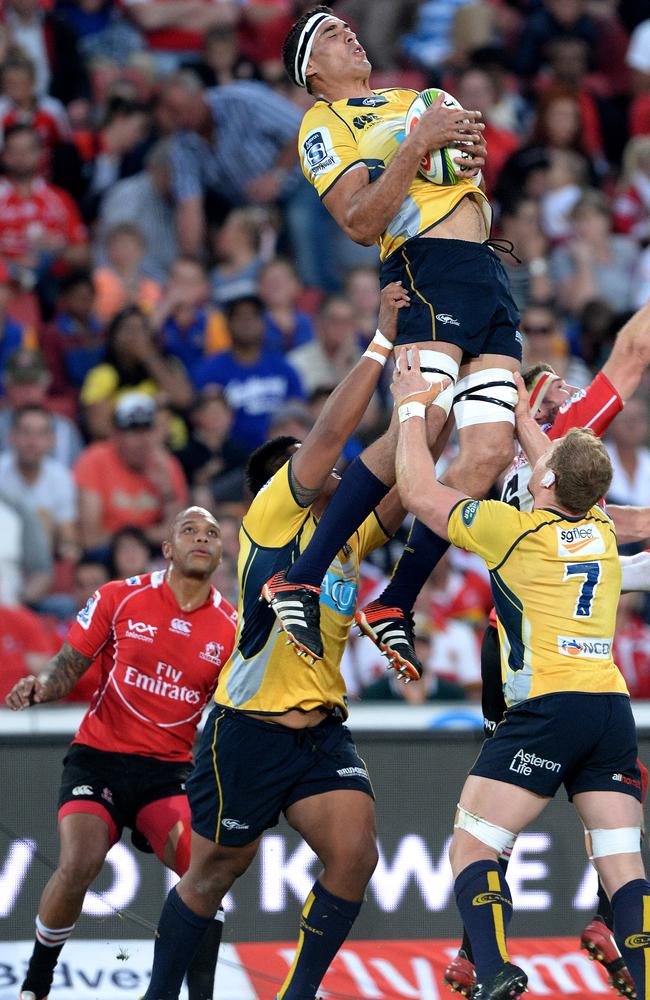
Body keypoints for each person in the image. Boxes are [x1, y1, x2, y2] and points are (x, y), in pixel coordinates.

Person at [140, 284, 409, 1000]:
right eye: (308, 462)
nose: (331, 463)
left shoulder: (346, 533)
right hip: (247, 731)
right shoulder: (269, 517)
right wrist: (381, 345)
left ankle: (296, 997)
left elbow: (400, 464)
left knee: (355, 857)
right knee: (216, 870)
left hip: (320, 734)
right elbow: (327, 440)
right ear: (280, 482)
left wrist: (439, 394)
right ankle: (159, 994)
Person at [264, 6, 521, 677]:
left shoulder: (412, 98)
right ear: (312, 73)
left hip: (485, 271)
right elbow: (356, 219)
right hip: (425, 264)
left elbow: (463, 158)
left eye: (348, 26)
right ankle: (302, 575)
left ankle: (394, 602)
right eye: (329, 34)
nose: (348, 33)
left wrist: (464, 147)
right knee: (423, 426)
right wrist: (419, 144)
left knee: (488, 452)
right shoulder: (325, 125)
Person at [391, 348, 650, 1000]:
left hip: (547, 708)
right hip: (611, 711)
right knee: (623, 866)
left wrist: (410, 407)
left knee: (472, 847)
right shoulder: (597, 525)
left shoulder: (512, 530)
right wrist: (520, 406)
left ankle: (494, 970)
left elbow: (423, 493)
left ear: (546, 484)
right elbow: (555, 467)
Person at [5, 505, 237, 1000]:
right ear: (168, 549)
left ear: (220, 554)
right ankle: (36, 982)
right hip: (99, 756)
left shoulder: (232, 629)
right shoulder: (119, 596)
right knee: (81, 862)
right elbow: (68, 665)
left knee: (207, 874)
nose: (202, 537)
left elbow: (235, 715)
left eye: (212, 533)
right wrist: (39, 687)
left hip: (168, 773)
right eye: (190, 530)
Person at [74, 393, 188, 554]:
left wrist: (167, 491)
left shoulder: (166, 464)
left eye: (147, 430)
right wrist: (143, 536)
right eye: (133, 432)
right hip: (107, 554)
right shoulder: (94, 460)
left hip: (153, 554)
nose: (143, 441)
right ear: (115, 435)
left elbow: (179, 537)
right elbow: (91, 539)